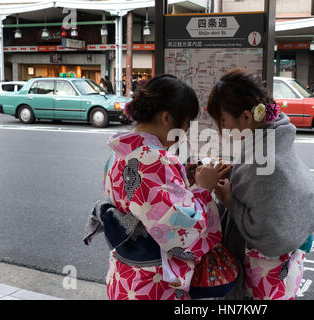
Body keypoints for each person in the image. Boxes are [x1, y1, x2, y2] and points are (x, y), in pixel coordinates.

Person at [93, 74, 231, 300]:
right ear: (167, 117)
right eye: (185, 125)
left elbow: (146, 203)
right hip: (154, 283)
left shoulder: (118, 153)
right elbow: (182, 232)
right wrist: (203, 189)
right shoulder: (157, 160)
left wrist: (182, 182)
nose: (183, 134)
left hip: (125, 276)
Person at [207, 68, 314, 300]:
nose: (221, 128)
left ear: (247, 117)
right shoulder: (272, 139)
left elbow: (263, 229)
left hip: (264, 266)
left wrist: (228, 198)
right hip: (287, 261)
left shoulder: (262, 161)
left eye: (222, 120)